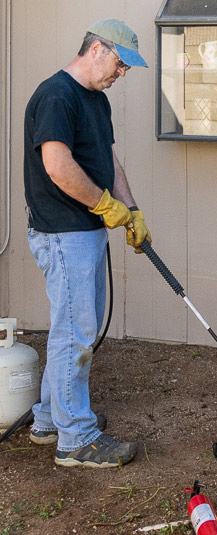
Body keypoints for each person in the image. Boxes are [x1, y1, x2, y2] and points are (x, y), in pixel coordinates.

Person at [23, 19, 151, 468]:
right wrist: (104, 205)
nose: (122, 74)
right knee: (75, 334)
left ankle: (47, 420)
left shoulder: (94, 101)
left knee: (73, 328)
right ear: (97, 48)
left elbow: (106, 158)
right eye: (120, 64)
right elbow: (57, 164)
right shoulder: (57, 95)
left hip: (85, 229)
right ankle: (75, 439)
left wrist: (130, 209)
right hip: (64, 231)